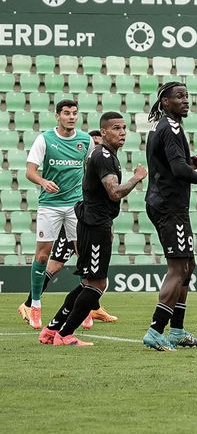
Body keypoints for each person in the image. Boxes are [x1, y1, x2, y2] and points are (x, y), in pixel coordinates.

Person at [39, 113, 146, 346]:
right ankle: (65, 335)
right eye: (116, 128)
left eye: (124, 128)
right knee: (97, 284)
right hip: (95, 225)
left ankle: (50, 330)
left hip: (94, 222)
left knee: (89, 283)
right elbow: (114, 192)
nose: (122, 132)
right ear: (103, 132)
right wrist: (137, 178)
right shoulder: (103, 156)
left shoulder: (108, 156)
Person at [142, 82, 197, 351]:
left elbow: (171, 164)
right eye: (179, 97)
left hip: (167, 203)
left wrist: (190, 164)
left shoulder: (161, 125)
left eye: (187, 96)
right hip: (169, 205)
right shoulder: (171, 126)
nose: (186, 100)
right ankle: (156, 330)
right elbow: (176, 169)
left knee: (188, 266)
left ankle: (176, 329)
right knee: (178, 268)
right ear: (165, 102)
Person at [18, 129, 118, 328]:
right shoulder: (49, 141)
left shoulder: (96, 160)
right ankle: (31, 304)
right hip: (57, 210)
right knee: (53, 263)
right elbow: (30, 171)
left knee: (81, 258)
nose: (97, 147)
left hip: (77, 210)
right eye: (95, 142)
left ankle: (91, 307)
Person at [23, 99, 92, 329]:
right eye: (66, 113)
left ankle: (85, 306)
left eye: (74, 113)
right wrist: (43, 181)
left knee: (83, 254)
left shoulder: (86, 140)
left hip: (76, 205)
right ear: (57, 116)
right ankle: (34, 303)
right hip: (50, 204)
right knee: (43, 256)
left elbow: (92, 169)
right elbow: (30, 171)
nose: (71, 117)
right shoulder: (45, 139)